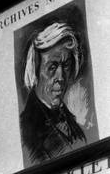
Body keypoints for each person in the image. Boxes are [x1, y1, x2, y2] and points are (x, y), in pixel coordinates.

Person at [19, 21, 90, 166]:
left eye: (66, 66)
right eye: (52, 67)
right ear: (35, 72)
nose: (61, 77)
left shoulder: (68, 118)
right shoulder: (26, 131)